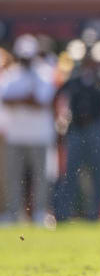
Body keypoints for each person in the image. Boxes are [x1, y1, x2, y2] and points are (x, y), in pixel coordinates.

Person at [54, 49, 100, 221]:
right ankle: (64, 213)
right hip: (76, 129)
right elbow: (56, 98)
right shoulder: (74, 81)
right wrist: (59, 122)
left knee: (98, 173)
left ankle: (94, 215)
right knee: (71, 173)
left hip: (96, 130)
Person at [0, 34, 55, 223]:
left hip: (39, 135)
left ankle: (40, 213)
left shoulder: (44, 73)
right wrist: (25, 99)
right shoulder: (11, 74)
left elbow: (42, 101)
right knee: (12, 177)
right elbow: (5, 98)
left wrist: (20, 100)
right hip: (15, 134)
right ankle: (13, 213)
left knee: (41, 177)